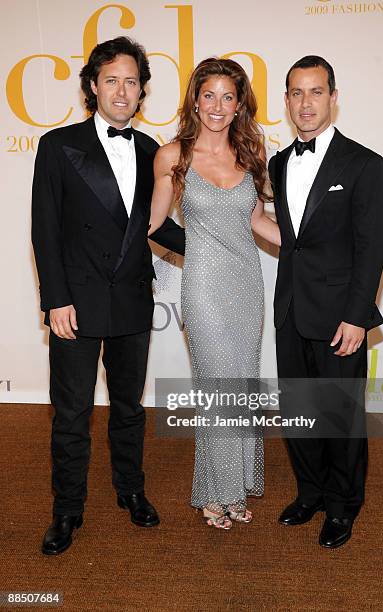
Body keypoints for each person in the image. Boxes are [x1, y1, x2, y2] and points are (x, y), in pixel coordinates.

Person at [31, 37, 185, 555]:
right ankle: (67, 509)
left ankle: (131, 490)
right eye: (112, 80)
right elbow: (45, 230)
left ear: (142, 90)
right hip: (76, 301)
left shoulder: (151, 151)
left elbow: (155, 226)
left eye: (132, 81)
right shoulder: (59, 146)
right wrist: (55, 299)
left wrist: (217, 245)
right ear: (93, 87)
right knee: (71, 413)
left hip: (131, 301)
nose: (122, 90)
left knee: (129, 408)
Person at [148, 58, 281, 529]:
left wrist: (310, 244)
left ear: (240, 103)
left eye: (228, 96)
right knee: (216, 386)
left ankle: (234, 485)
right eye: (209, 95)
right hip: (203, 285)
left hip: (247, 283)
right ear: (195, 99)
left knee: (241, 382)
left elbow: (258, 222)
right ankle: (214, 493)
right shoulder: (173, 155)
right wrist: (202, 246)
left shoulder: (250, 153)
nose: (218, 106)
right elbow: (155, 225)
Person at [268, 56, 383, 548]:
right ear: (287, 101)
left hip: (341, 315)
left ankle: (342, 505)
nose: (305, 103)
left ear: (333, 98)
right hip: (291, 309)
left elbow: (372, 248)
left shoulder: (363, 163)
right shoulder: (278, 163)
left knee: (339, 416)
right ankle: (310, 492)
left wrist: (357, 316)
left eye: (316, 92)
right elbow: (290, 239)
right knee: (299, 411)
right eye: (296, 92)